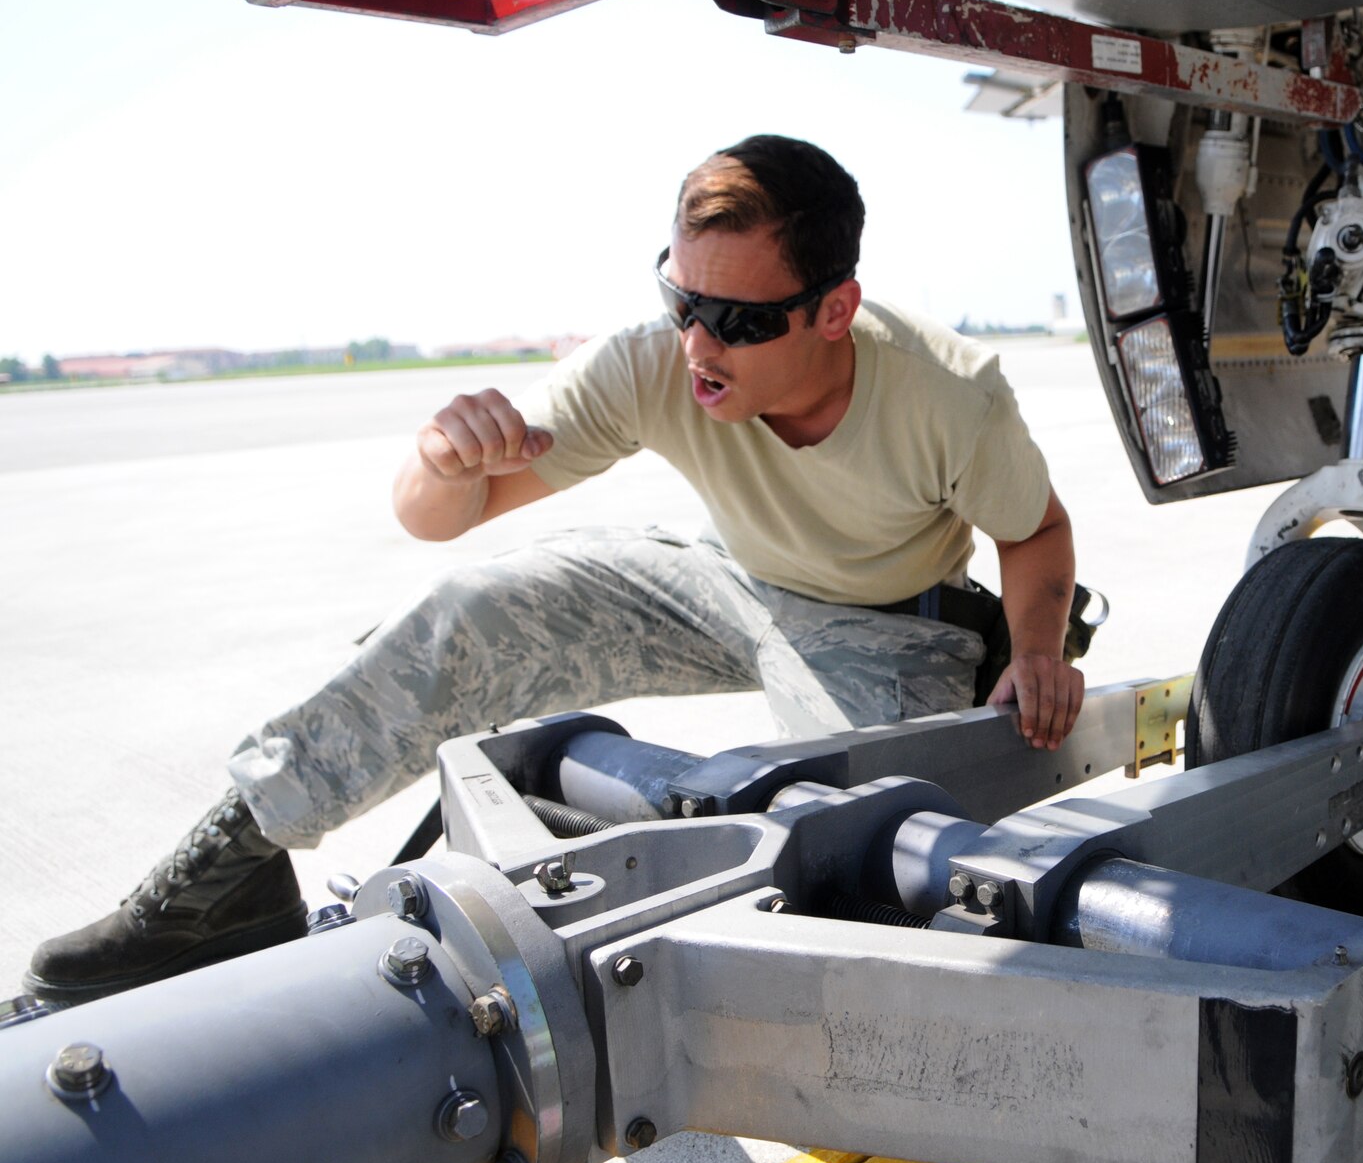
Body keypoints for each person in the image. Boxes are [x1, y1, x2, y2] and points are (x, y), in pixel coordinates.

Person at [25, 134, 1085, 1003]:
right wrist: (443, 459)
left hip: (880, 615)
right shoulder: (651, 362)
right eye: (683, 303)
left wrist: (1034, 650)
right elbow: (439, 516)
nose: (699, 348)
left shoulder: (948, 393)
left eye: (743, 322)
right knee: (471, 611)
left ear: (833, 310)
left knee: (849, 847)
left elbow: (1033, 529)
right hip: (721, 577)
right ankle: (225, 875)